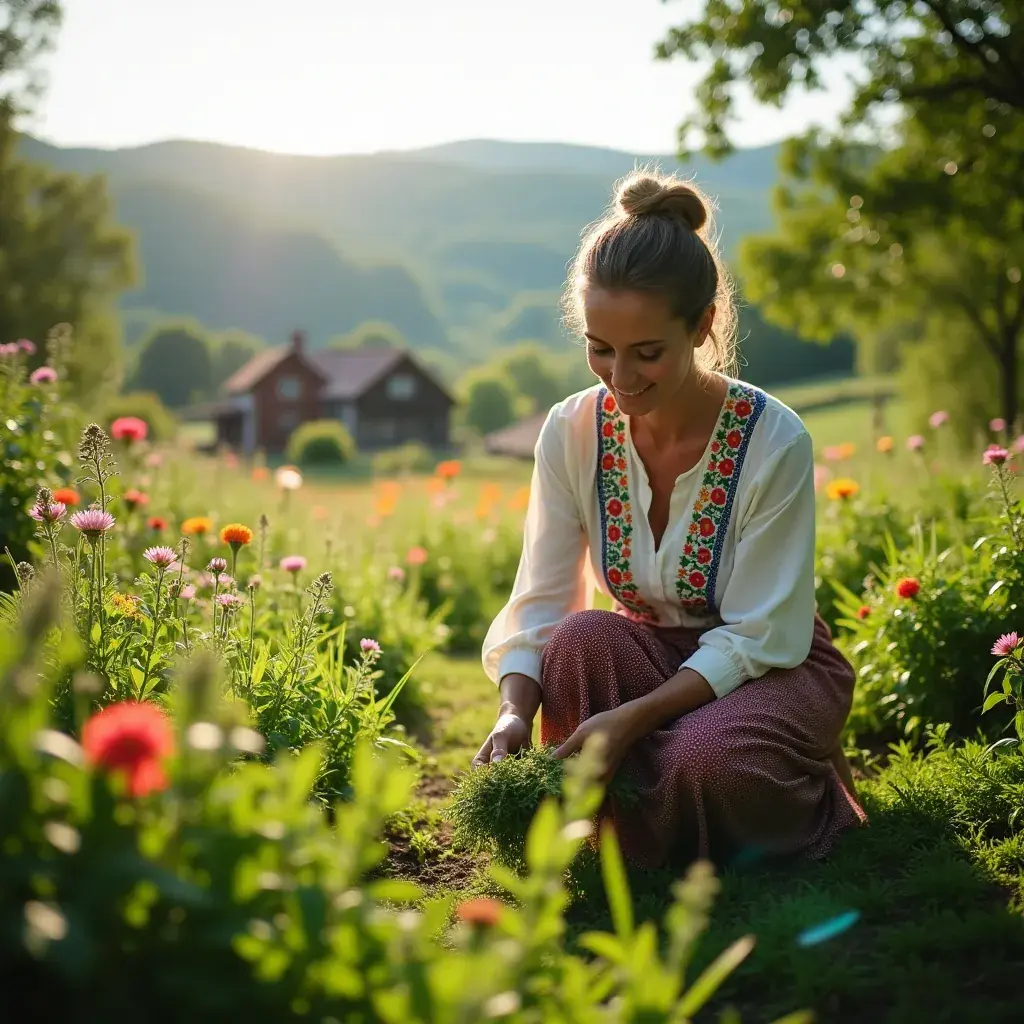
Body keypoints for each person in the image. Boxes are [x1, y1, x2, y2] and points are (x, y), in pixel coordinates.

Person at [473, 169, 866, 869]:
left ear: (703, 324)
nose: (620, 379)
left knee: (704, 761)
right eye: (600, 349)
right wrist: (514, 713)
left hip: (770, 665)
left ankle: (807, 802)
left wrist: (634, 718)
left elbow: (760, 632)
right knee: (578, 640)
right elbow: (542, 599)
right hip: (650, 653)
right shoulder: (571, 430)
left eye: (647, 353)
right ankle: (643, 833)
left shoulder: (774, 441)